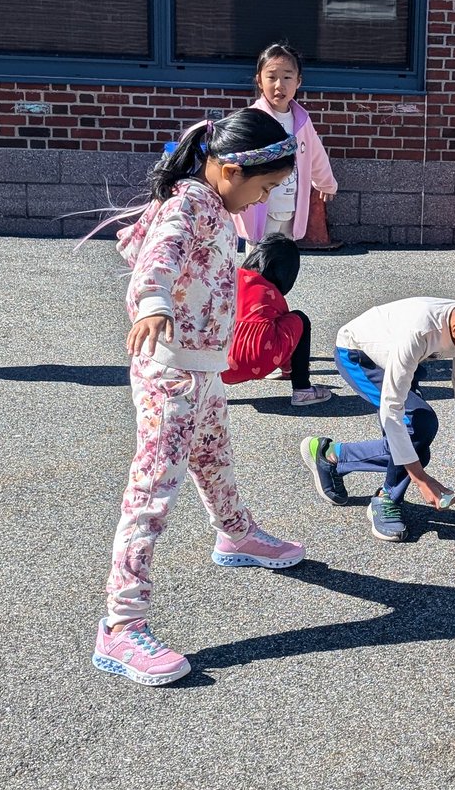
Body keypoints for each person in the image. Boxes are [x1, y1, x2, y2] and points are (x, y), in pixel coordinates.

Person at [92, 108, 306, 688]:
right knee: (152, 491)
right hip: (170, 373)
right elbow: (156, 263)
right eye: (263, 189)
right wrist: (154, 303)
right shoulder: (190, 204)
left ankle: (236, 532)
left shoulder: (215, 203)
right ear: (231, 169)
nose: (261, 200)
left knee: (213, 457)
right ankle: (121, 623)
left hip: (200, 367)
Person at [300, 281, 455, 543]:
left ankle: (330, 455)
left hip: (398, 357)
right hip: (358, 353)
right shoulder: (420, 331)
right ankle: (386, 499)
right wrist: (420, 479)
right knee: (418, 426)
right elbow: (391, 410)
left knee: (416, 446)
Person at [232, 43, 337, 246]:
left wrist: (326, 183)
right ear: (259, 81)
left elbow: (316, 154)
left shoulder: (301, 120)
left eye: (287, 77)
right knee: (259, 263)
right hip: (260, 204)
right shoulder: (253, 119)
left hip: (292, 206)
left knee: (284, 261)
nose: (279, 85)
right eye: (271, 77)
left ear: (298, 82)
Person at [221, 233, 332, 406]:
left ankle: (209, 395)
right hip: (261, 361)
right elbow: (285, 336)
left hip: (220, 366)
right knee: (299, 320)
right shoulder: (271, 292)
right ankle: (302, 389)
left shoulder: (229, 279)